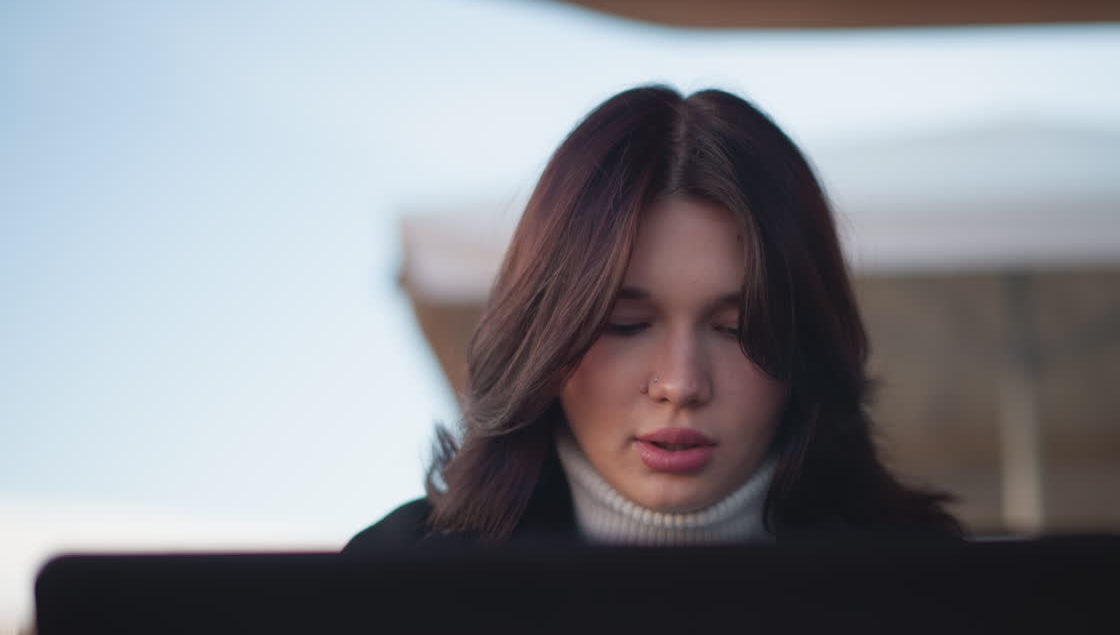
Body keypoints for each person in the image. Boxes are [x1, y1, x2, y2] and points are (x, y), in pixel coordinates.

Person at [346, 85, 959, 550]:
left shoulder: (937, 589)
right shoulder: (397, 585)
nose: (681, 384)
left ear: (809, 346)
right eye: (625, 324)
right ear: (542, 336)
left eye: (738, 330)